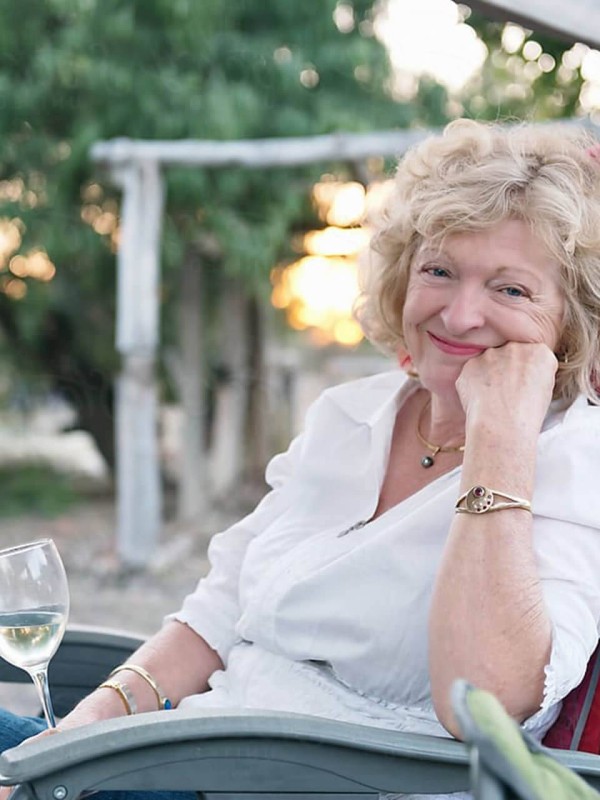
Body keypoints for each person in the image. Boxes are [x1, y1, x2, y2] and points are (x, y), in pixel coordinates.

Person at [2, 119, 600, 800]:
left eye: (510, 289)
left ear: (572, 319)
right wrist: (75, 741)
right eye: (438, 271)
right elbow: (219, 610)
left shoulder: (576, 460)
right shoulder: (352, 414)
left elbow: (485, 701)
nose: (461, 315)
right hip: (173, 760)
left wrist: (499, 439)